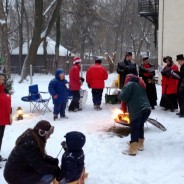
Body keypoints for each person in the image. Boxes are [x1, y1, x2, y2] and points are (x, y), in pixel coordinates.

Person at [119, 74, 151, 156]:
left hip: (137, 109)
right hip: (146, 108)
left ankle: (133, 149)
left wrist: (119, 93)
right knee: (140, 126)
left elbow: (123, 96)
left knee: (134, 128)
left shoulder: (130, 84)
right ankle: (140, 144)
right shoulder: (140, 85)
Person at [0, 72, 12, 163]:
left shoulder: (5, 90)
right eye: (1, 78)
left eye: (3, 79)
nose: (2, 80)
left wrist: (10, 114)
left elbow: (8, 103)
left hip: (3, 119)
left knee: (0, 137)